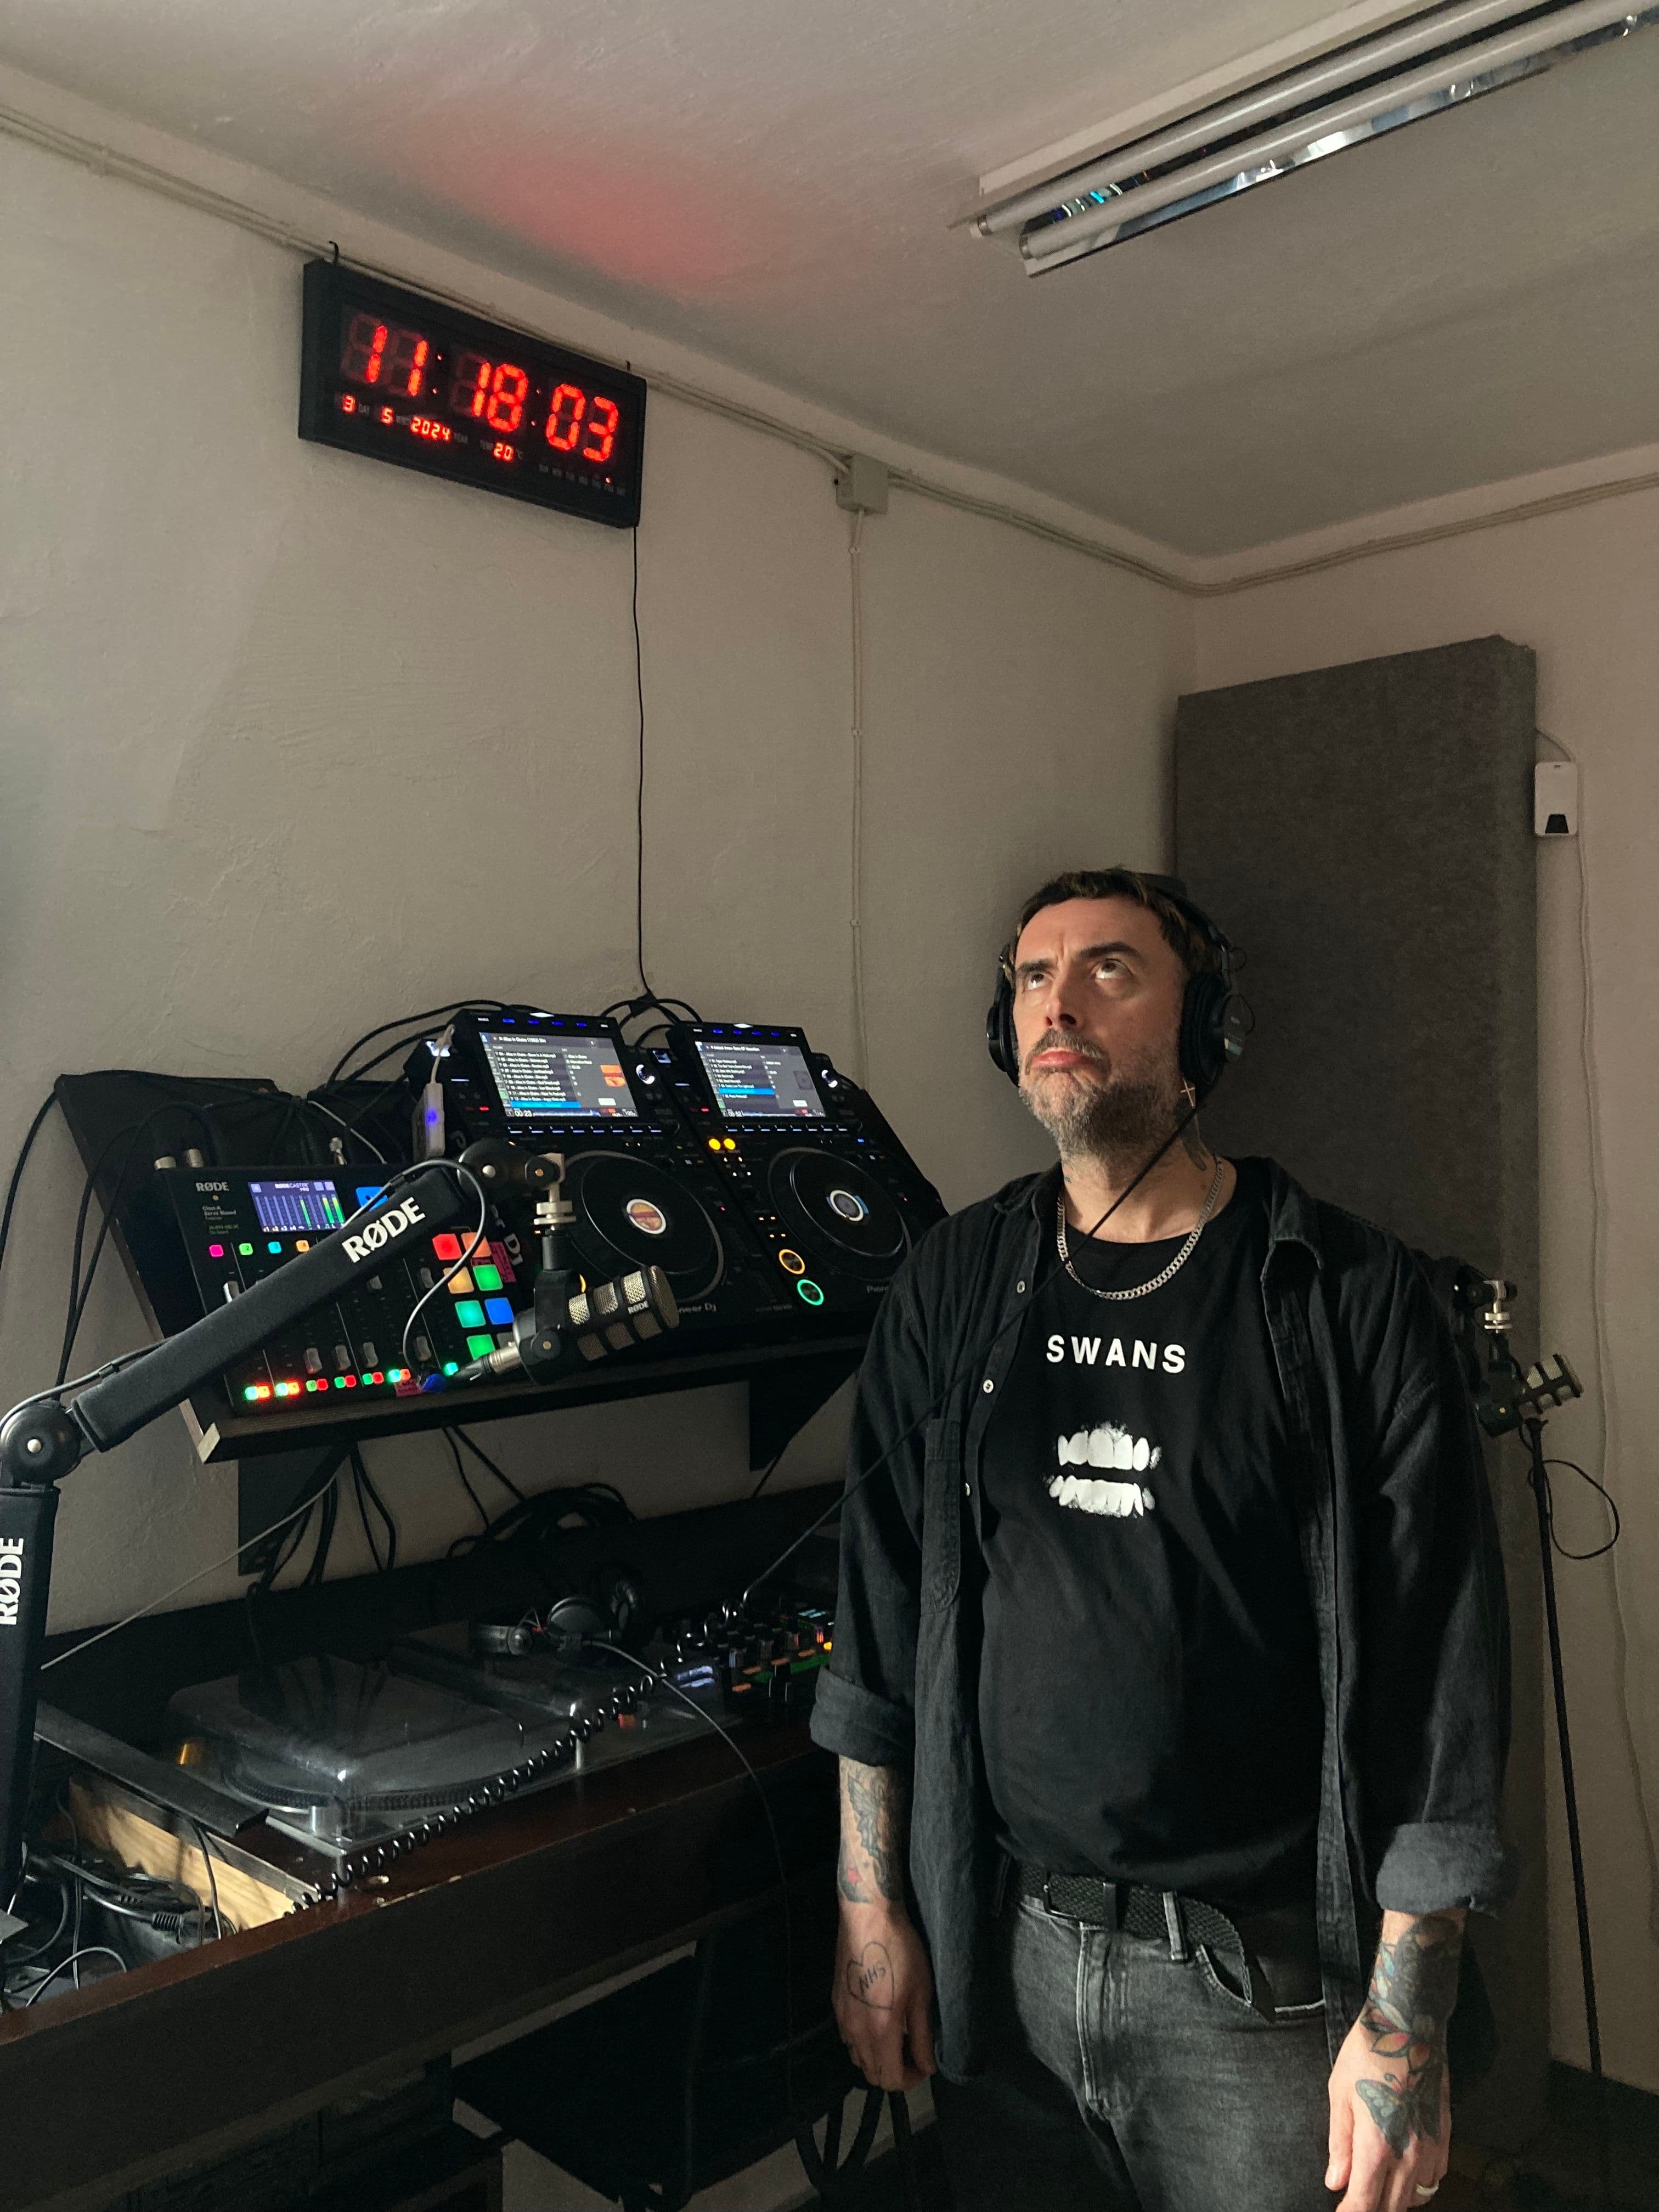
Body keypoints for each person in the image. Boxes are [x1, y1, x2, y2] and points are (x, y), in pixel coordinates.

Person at [810, 867, 1513, 2212]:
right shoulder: (955, 1282)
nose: (1058, 1002)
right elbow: (879, 1618)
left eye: (1110, 969)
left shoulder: (1350, 1297)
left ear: (1208, 1030)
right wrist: (870, 1909)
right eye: (1033, 977)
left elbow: (1445, 1682)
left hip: (1262, 1991)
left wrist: (1404, 2021)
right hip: (1007, 1951)